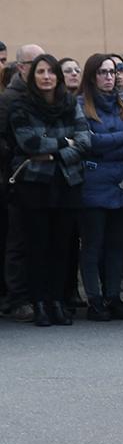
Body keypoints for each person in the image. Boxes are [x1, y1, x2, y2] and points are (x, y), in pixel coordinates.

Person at [7, 54, 90, 327]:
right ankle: (40, 302)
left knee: (61, 246)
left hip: (67, 184)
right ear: (32, 77)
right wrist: (64, 143)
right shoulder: (21, 105)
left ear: (58, 76)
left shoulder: (70, 104)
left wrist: (55, 152)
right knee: (37, 246)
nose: (46, 76)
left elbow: (85, 141)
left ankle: (57, 301)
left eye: (50, 71)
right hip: (34, 185)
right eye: (40, 71)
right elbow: (29, 142)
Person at [77, 53, 123, 320]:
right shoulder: (80, 105)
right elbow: (87, 142)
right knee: (93, 245)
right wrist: (119, 139)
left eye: (113, 71)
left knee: (117, 245)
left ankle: (114, 297)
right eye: (102, 72)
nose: (109, 77)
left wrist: (107, 143)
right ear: (92, 76)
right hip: (93, 184)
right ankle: (95, 300)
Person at [0, 43, 44, 321]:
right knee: (16, 241)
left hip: (40, 178)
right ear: (22, 68)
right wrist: (26, 149)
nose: (44, 70)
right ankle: (16, 298)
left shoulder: (43, 96)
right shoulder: (9, 99)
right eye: (37, 64)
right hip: (16, 178)